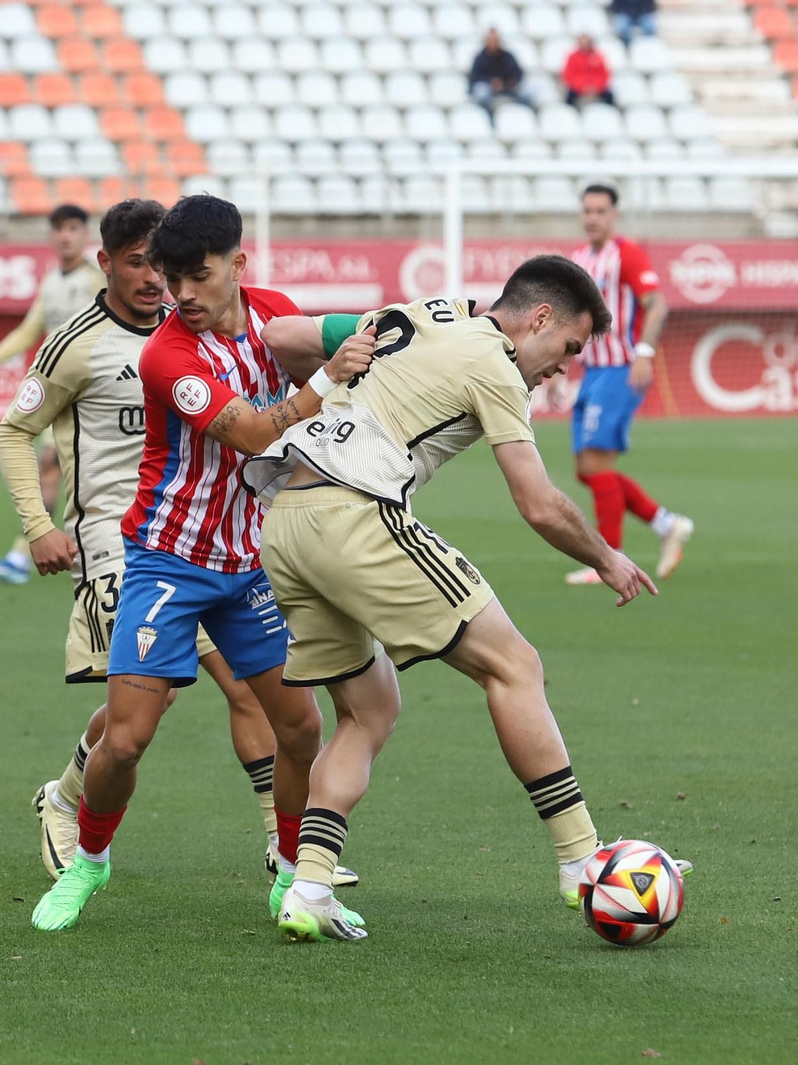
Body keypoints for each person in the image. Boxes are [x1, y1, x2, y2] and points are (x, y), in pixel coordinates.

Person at [246, 257, 690, 942]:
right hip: (354, 513)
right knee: (514, 664)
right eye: (568, 348)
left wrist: (340, 359)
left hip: (285, 521)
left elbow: (280, 334)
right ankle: (581, 859)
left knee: (368, 711)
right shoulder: (494, 362)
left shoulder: (434, 310)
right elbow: (539, 504)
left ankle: (308, 887)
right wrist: (606, 557)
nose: (563, 368)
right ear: (539, 319)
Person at [28, 195, 376, 932]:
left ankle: (290, 873)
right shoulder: (168, 355)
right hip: (167, 559)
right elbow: (250, 432)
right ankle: (89, 858)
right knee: (125, 738)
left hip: (253, 562)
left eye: (196, 275)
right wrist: (328, 378)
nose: (180, 294)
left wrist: (384, 334)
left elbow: (343, 341)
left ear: (237, 265)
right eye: (169, 276)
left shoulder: (275, 315)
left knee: (301, 727)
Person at [0, 204, 106, 585]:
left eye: (74, 228)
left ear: (84, 234)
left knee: (72, 472)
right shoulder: (51, 283)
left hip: (97, 395)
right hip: (64, 395)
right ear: (51, 235)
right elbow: (30, 331)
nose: (66, 235)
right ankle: (24, 553)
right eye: (59, 228)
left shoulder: (96, 281)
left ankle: (43, 554)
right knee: (52, 466)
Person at [565, 183, 694, 585]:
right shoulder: (579, 259)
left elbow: (657, 304)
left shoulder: (628, 254)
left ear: (614, 215)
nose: (592, 218)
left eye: (600, 211)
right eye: (587, 210)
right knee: (587, 470)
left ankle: (607, 560)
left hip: (621, 369)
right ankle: (666, 524)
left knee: (598, 464)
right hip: (593, 372)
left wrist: (644, 353)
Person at [468, 28, 532, 115]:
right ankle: (488, 117)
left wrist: (512, 82)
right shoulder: (480, 58)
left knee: (527, 91)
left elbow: (518, 73)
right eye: (491, 40)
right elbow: (475, 78)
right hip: (488, 88)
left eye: (495, 40)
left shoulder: (508, 56)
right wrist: (491, 82)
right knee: (481, 92)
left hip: (508, 88)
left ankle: (524, 114)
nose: (493, 43)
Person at [562, 35, 614, 108]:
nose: (585, 45)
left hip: (597, 88)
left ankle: (610, 113)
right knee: (569, 97)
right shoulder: (573, 57)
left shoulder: (598, 56)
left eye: (587, 42)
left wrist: (596, 87)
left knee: (609, 96)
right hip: (579, 88)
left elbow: (604, 74)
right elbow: (569, 76)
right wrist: (582, 87)